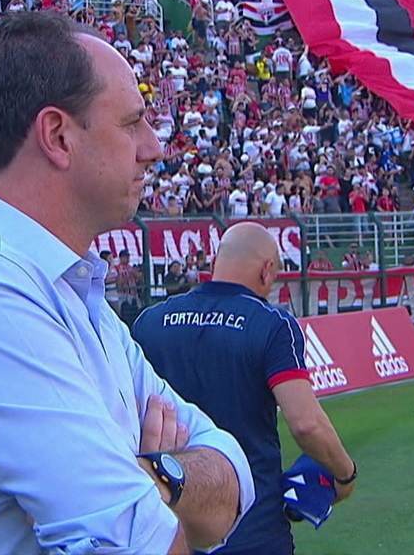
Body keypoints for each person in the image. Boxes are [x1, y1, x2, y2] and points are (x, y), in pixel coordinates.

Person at [0, 12, 255, 554]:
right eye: (132, 123)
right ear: (57, 136)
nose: (153, 147)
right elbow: (140, 546)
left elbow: (232, 484)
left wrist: (155, 477)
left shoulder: (69, 291)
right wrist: (156, 485)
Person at [133, 222, 358, 555]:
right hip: (252, 527)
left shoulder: (150, 321)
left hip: (169, 525)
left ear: (215, 262)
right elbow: (306, 423)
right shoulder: (271, 324)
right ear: (267, 271)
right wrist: (345, 474)